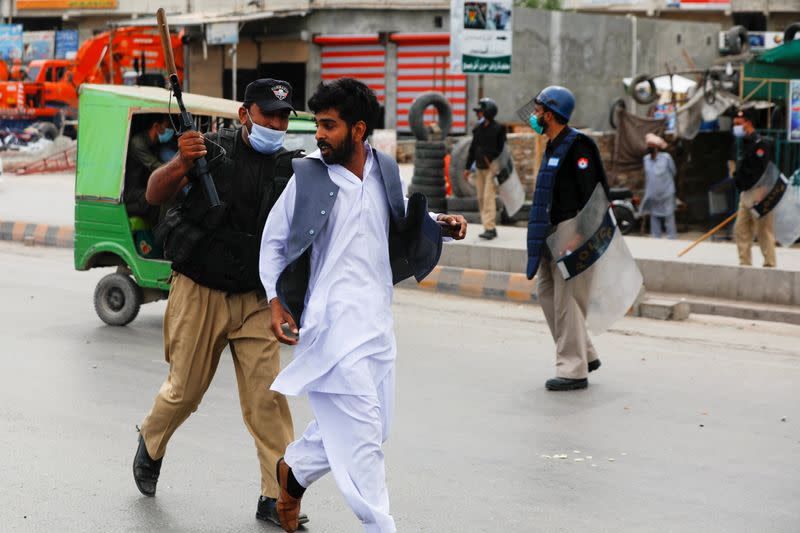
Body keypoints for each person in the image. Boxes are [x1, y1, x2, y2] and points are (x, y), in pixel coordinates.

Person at [259, 78, 467, 533]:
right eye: (317, 125)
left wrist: (441, 225)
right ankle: (381, 526)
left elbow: (393, 218)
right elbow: (274, 242)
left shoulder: (385, 170)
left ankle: (293, 472)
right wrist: (276, 302)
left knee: (376, 427)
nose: (319, 134)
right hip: (330, 326)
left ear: (358, 130)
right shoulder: (307, 176)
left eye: (328, 126)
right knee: (365, 439)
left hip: (376, 322)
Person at [131, 79, 308, 527]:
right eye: (268, 114)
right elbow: (154, 192)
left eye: (284, 117)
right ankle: (152, 442)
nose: (277, 124)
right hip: (199, 289)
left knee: (269, 400)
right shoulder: (208, 150)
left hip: (253, 298)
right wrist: (182, 164)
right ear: (244, 113)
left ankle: (275, 496)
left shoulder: (293, 169)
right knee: (184, 392)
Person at [524, 86, 608, 391]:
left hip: (571, 238)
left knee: (567, 303)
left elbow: (593, 196)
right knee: (548, 296)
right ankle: (585, 352)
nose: (534, 117)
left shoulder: (578, 147)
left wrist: (579, 237)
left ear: (550, 114)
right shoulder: (553, 145)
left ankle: (573, 370)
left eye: (537, 111)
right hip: (550, 237)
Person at [729, 108, 777, 267]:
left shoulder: (760, 144)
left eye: (738, 123)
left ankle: (770, 264)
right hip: (746, 194)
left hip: (760, 194)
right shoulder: (744, 143)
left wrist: (763, 193)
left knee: (763, 232)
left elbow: (764, 170)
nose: (735, 126)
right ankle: (745, 264)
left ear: (748, 123)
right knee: (740, 229)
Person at [465, 97, 506, 240]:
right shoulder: (478, 129)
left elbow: (502, 151)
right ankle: (487, 226)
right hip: (480, 167)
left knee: (489, 197)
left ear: (488, 112)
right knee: (481, 197)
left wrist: (496, 165)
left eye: (481, 112)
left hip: (492, 168)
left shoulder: (499, 129)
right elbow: (472, 148)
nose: (478, 114)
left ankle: (490, 227)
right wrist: (467, 167)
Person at [124, 114, 173, 227]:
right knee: (166, 198)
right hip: (134, 193)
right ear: (156, 126)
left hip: (144, 188)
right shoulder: (138, 143)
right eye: (167, 127)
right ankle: (163, 235)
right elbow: (155, 166)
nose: (169, 131)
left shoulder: (155, 144)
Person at [641, 133, 677, 239]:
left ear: (656, 148)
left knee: (669, 216)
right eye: (648, 147)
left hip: (666, 193)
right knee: (654, 217)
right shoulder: (646, 159)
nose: (649, 149)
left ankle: (672, 239)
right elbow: (648, 176)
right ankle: (656, 239)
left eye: (651, 148)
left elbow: (673, 172)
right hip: (653, 195)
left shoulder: (666, 158)